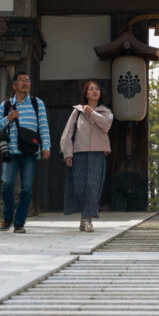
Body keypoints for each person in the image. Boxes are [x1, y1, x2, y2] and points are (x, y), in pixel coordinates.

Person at [0, 71, 50, 233]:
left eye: (27, 80)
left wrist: (46, 147)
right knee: (7, 185)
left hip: (30, 151)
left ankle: (19, 223)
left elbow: (43, 126)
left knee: (26, 188)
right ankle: (7, 217)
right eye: (21, 80)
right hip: (10, 151)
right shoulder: (6, 105)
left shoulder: (37, 103)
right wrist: (8, 118)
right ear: (14, 85)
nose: (25, 83)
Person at [60, 79, 113, 232]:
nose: (94, 91)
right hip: (79, 153)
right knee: (79, 187)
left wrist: (92, 113)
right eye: (91, 89)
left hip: (97, 154)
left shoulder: (106, 112)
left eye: (97, 89)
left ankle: (88, 218)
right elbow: (67, 133)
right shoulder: (77, 111)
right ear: (86, 93)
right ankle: (84, 216)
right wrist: (67, 153)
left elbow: (105, 126)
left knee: (92, 186)